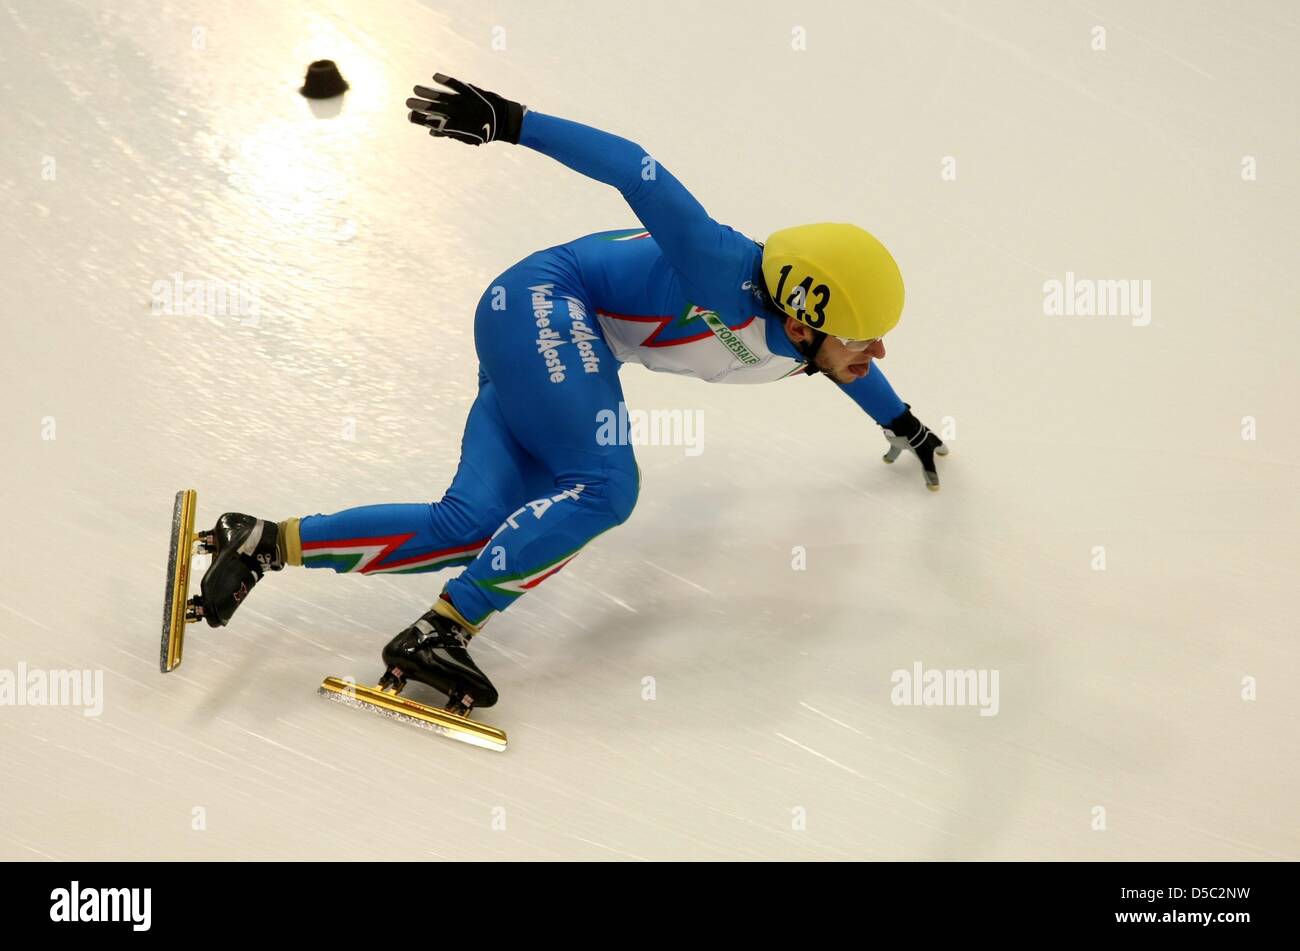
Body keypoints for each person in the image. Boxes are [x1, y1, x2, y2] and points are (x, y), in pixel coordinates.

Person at [194, 73, 949, 714]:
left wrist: (903, 421)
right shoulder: (723, 266)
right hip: (548, 303)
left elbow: (856, 367)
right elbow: (634, 167)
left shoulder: (817, 345)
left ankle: (264, 540)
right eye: (861, 335)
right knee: (607, 485)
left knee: (471, 526)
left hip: (548, 334)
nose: (874, 351)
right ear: (802, 315)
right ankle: (444, 630)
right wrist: (509, 121)